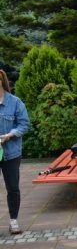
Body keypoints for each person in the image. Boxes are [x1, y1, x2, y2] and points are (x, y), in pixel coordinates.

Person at [0, 69, 29, 235]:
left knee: (12, 187)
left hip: (11, 152)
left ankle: (14, 221)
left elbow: (24, 124)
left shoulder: (15, 102)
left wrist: (10, 135)